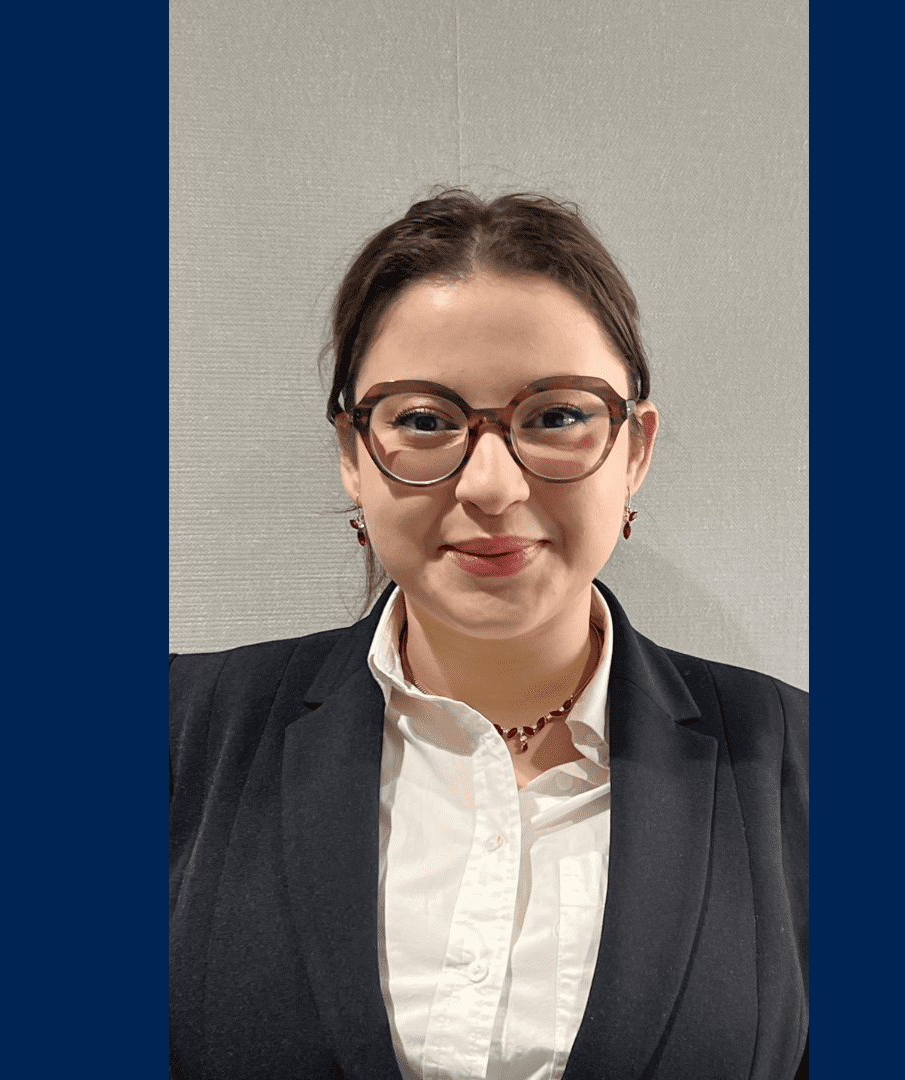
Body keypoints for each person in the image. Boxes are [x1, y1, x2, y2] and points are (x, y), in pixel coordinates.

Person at [169, 190, 807, 1080]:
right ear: (353, 454)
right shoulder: (182, 732)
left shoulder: (794, 760)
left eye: (556, 416)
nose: (492, 487)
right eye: (424, 421)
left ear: (634, 450)